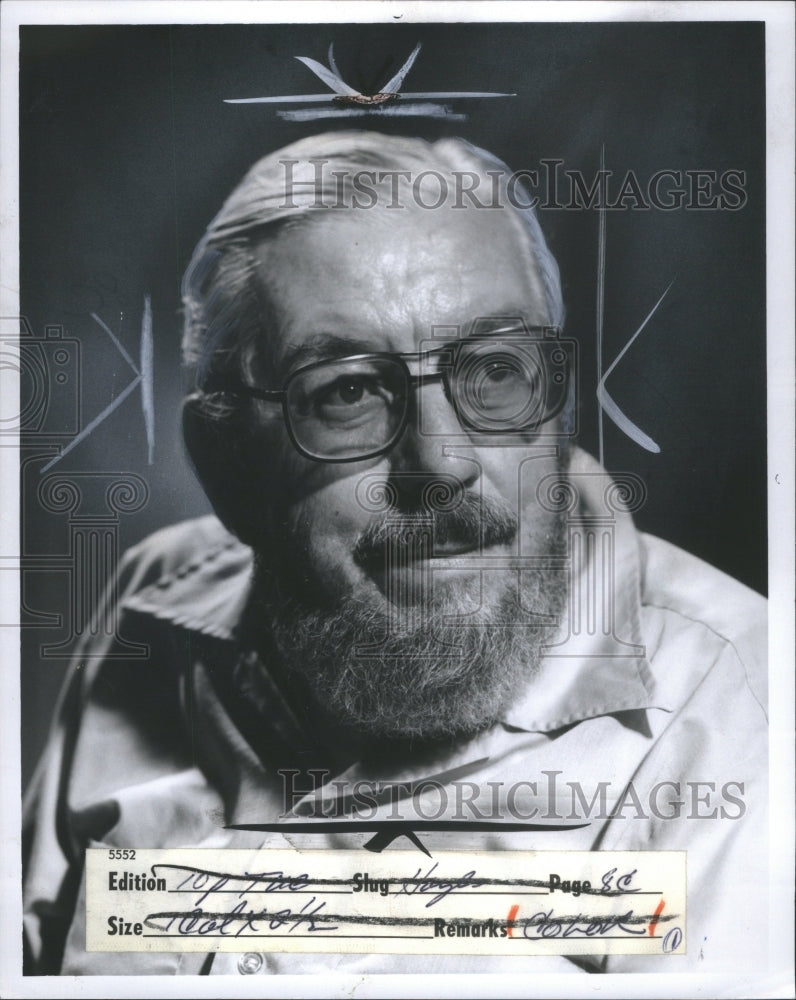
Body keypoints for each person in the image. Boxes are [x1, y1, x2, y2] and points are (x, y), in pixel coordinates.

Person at [22, 132, 767, 976]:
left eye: (493, 369)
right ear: (226, 465)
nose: (442, 463)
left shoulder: (745, 715)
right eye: (346, 392)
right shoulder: (153, 604)